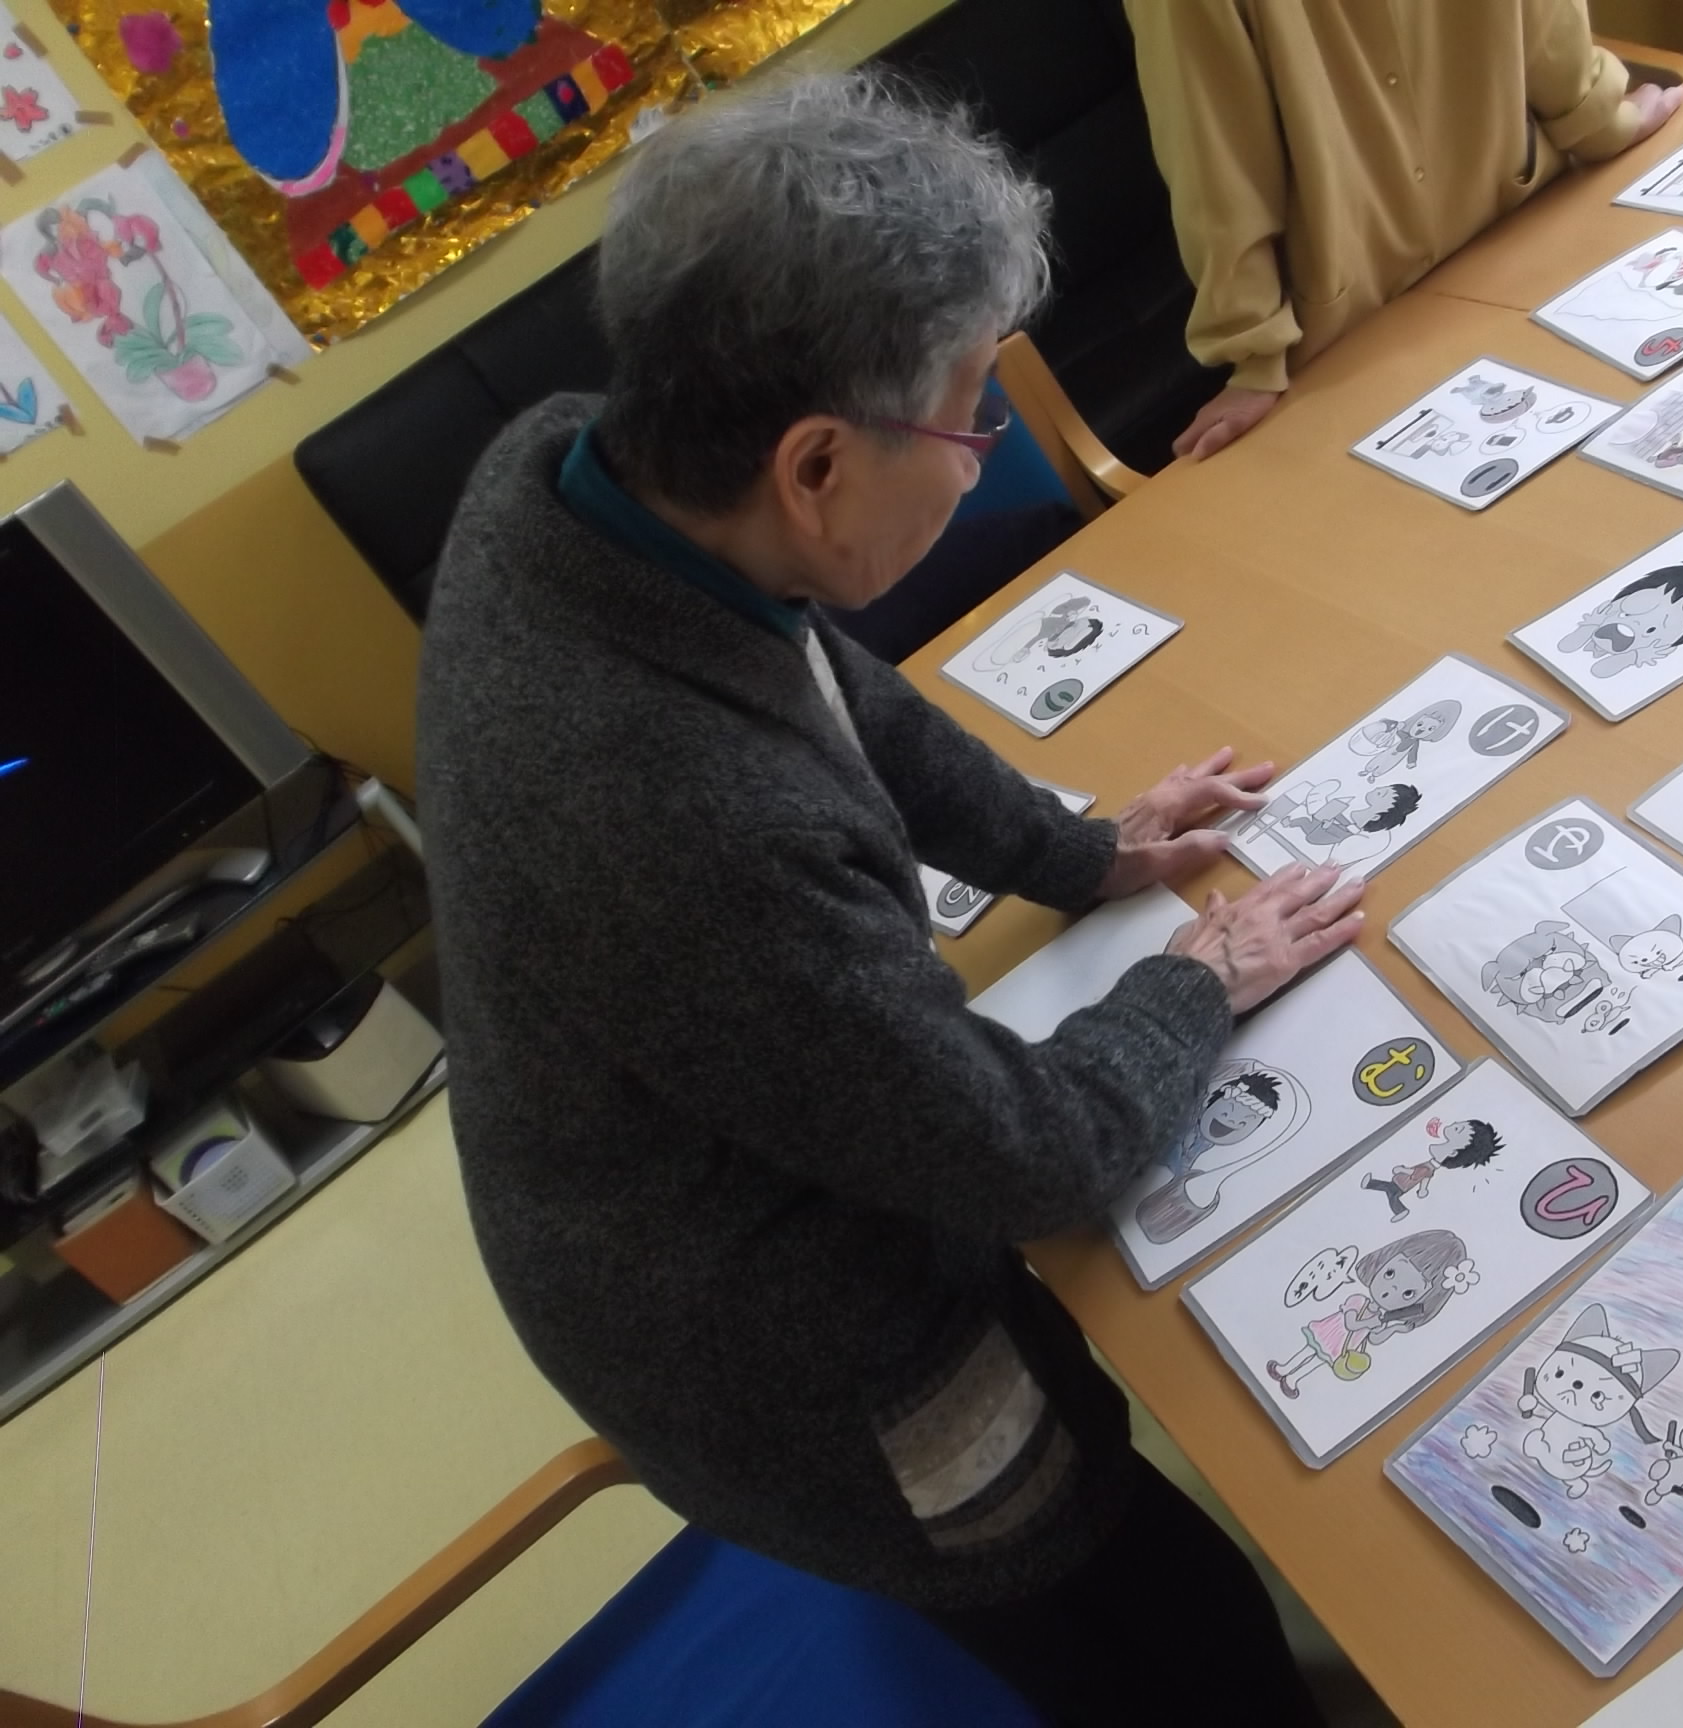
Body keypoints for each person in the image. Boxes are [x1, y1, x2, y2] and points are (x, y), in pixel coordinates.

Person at [417, 73, 1364, 1727]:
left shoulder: (577, 474)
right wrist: (1197, 974)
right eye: (972, 414)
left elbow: (830, 688)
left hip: (676, 1163)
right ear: (813, 462)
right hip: (792, 1356)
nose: (985, 454)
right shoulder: (681, 820)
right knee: (1146, 1613)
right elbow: (1027, 1154)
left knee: (1133, 1523)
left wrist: (1079, 852)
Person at [1129, 0, 1683, 460]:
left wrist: (1599, 119)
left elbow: (1545, 25)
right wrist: (1254, 353)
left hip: (1519, 228)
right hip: (1361, 330)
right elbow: (1216, 162)